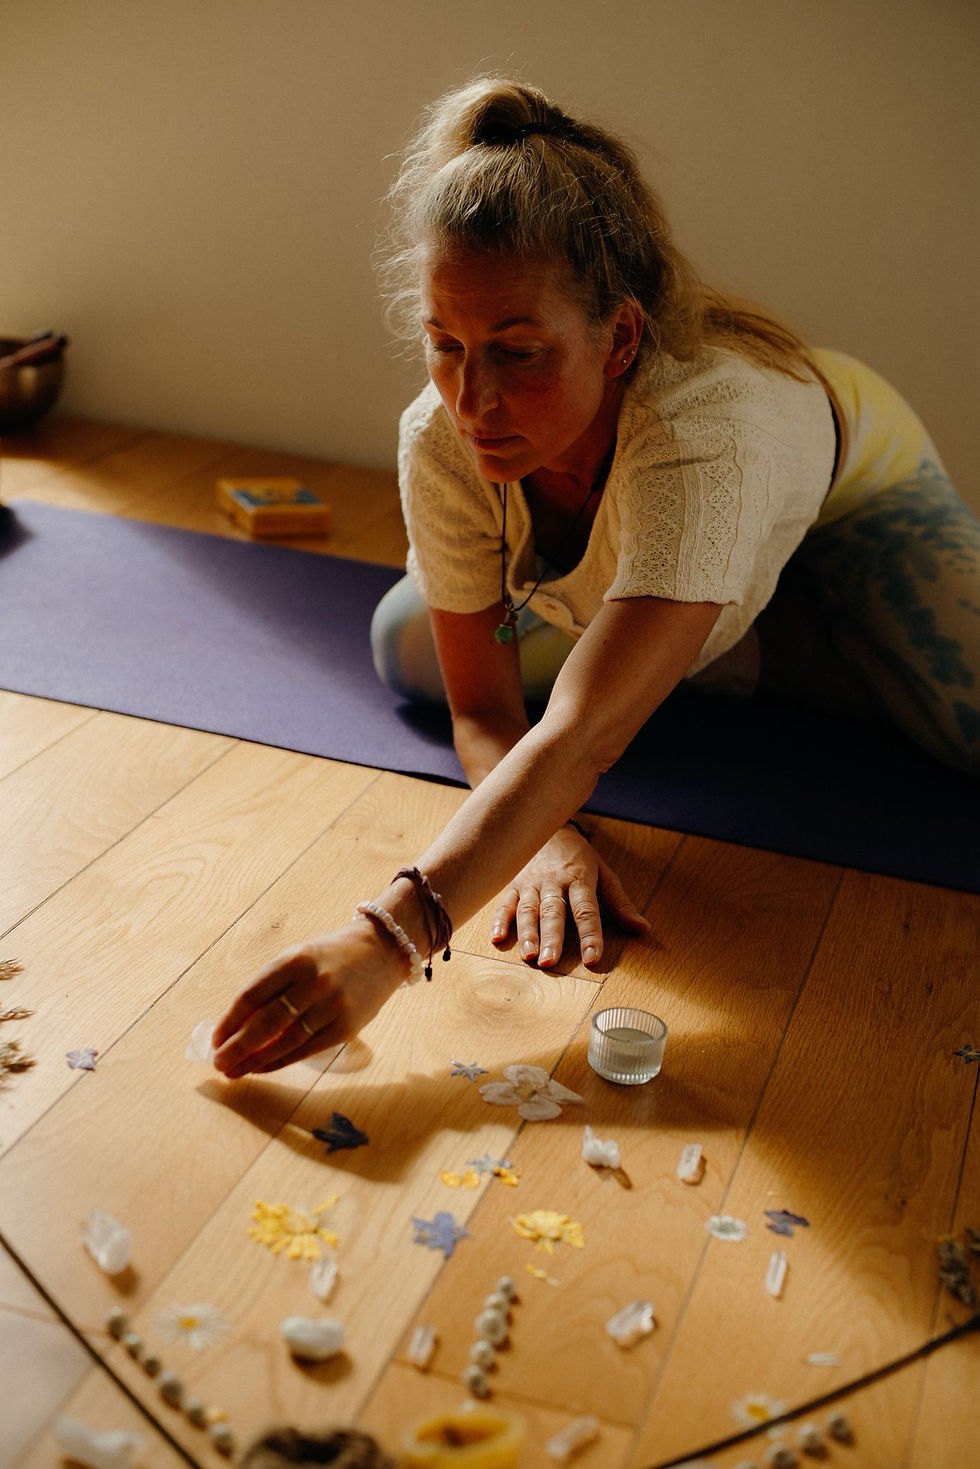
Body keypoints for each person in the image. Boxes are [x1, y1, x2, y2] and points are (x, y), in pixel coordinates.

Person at [213, 77, 980, 1081]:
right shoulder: (439, 433)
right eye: (445, 345)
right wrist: (541, 839)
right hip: (689, 540)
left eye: (517, 352)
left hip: (850, 490)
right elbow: (485, 713)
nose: (473, 399)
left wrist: (384, 941)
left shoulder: (704, 434)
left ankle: (732, 606)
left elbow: (579, 737)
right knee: (408, 647)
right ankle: (714, 616)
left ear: (617, 337)